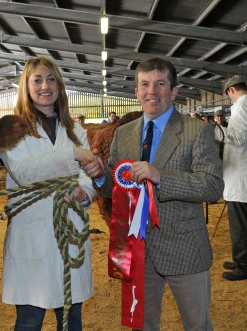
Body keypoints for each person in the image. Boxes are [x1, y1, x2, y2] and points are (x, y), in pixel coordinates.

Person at [80, 58, 224, 330]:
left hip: (185, 249)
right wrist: (100, 175)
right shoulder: (123, 134)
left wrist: (161, 177)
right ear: (136, 92)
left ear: (174, 90)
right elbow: (116, 185)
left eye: (160, 84)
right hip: (136, 249)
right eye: (144, 84)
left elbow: (213, 185)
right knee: (142, 325)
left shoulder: (197, 130)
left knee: (198, 325)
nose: (152, 91)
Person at [0, 56, 96, 330]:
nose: (45, 86)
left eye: (51, 79)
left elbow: (87, 176)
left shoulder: (76, 130)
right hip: (33, 233)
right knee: (30, 320)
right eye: (38, 79)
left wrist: (83, 193)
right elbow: (23, 172)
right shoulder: (12, 130)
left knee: (71, 319)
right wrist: (72, 154)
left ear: (60, 85)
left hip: (70, 229)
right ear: (26, 86)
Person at [215, 75, 247, 281]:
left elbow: (238, 137)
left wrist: (216, 131)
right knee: (241, 223)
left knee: (240, 225)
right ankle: (240, 259)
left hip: (240, 178)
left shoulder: (242, 106)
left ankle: (243, 265)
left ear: (231, 91)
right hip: (238, 176)